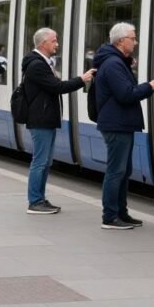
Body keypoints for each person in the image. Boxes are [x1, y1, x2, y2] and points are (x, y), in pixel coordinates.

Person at [93, 22, 154, 229]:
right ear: (121, 41)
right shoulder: (113, 64)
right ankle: (110, 216)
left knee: (124, 170)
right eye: (132, 38)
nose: (135, 42)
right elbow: (126, 94)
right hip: (116, 124)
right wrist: (150, 86)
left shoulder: (116, 62)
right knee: (116, 171)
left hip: (121, 123)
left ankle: (121, 213)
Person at [21, 28, 95, 214]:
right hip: (41, 120)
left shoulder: (41, 63)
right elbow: (57, 87)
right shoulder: (37, 65)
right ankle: (35, 201)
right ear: (43, 43)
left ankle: (40, 199)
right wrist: (82, 79)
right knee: (40, 161)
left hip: (45, 119)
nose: (57, 44)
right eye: (54, 41)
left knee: (45, 161)